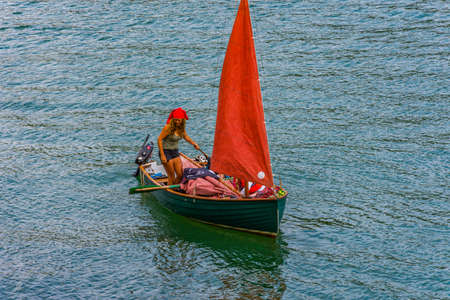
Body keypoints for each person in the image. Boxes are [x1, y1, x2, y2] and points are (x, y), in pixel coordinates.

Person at [158, 108, 200, 185]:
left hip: (175, 152)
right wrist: (163, 155)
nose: (177, 122)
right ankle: (170, 192)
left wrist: (194, 144)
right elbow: (159, 140)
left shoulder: (181, 128)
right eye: (176, 120)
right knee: (171, 176)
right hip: (165, 151)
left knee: (180, 175)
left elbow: (186, 137)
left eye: (179, 120)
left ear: (182, 120)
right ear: (173, 119)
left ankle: (173, 188)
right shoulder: (167, 128)